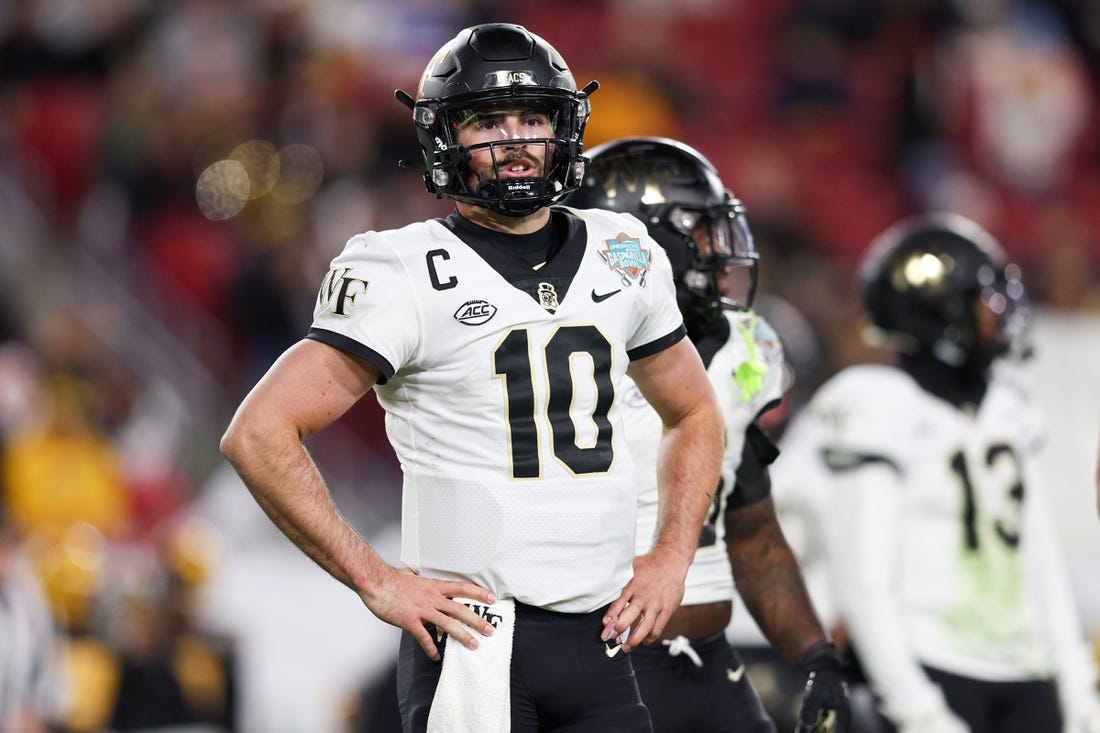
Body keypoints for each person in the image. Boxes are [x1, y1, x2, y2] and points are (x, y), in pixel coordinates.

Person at [220, 23, 724, 733]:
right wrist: (377, 579)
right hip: (476, 643)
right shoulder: (399, 269)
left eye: (533, 117)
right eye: (489, 120)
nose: (516, 138)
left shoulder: (624, 249)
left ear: (564, 128)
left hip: (603, 637)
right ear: (445, 138)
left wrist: (672, 557)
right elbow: (258, 433)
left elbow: (695, 411)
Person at [564, 136, 850, 733]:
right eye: (701, 233)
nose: (722, 253)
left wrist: (815, 654)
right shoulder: (567, 349)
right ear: (639, 240)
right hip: (600, 667)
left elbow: (750, 529)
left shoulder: (744, 349)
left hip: (709, 664)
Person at [776, 213, 1100, 733]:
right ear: (940, 311)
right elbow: (865, 582)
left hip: (1025, 666)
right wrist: (915, 706)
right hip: (933, 661)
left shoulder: (1008, 404)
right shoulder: (878, 405)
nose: (1002, 312)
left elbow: (1040, 554)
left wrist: (1076, 676)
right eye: (984, 299)